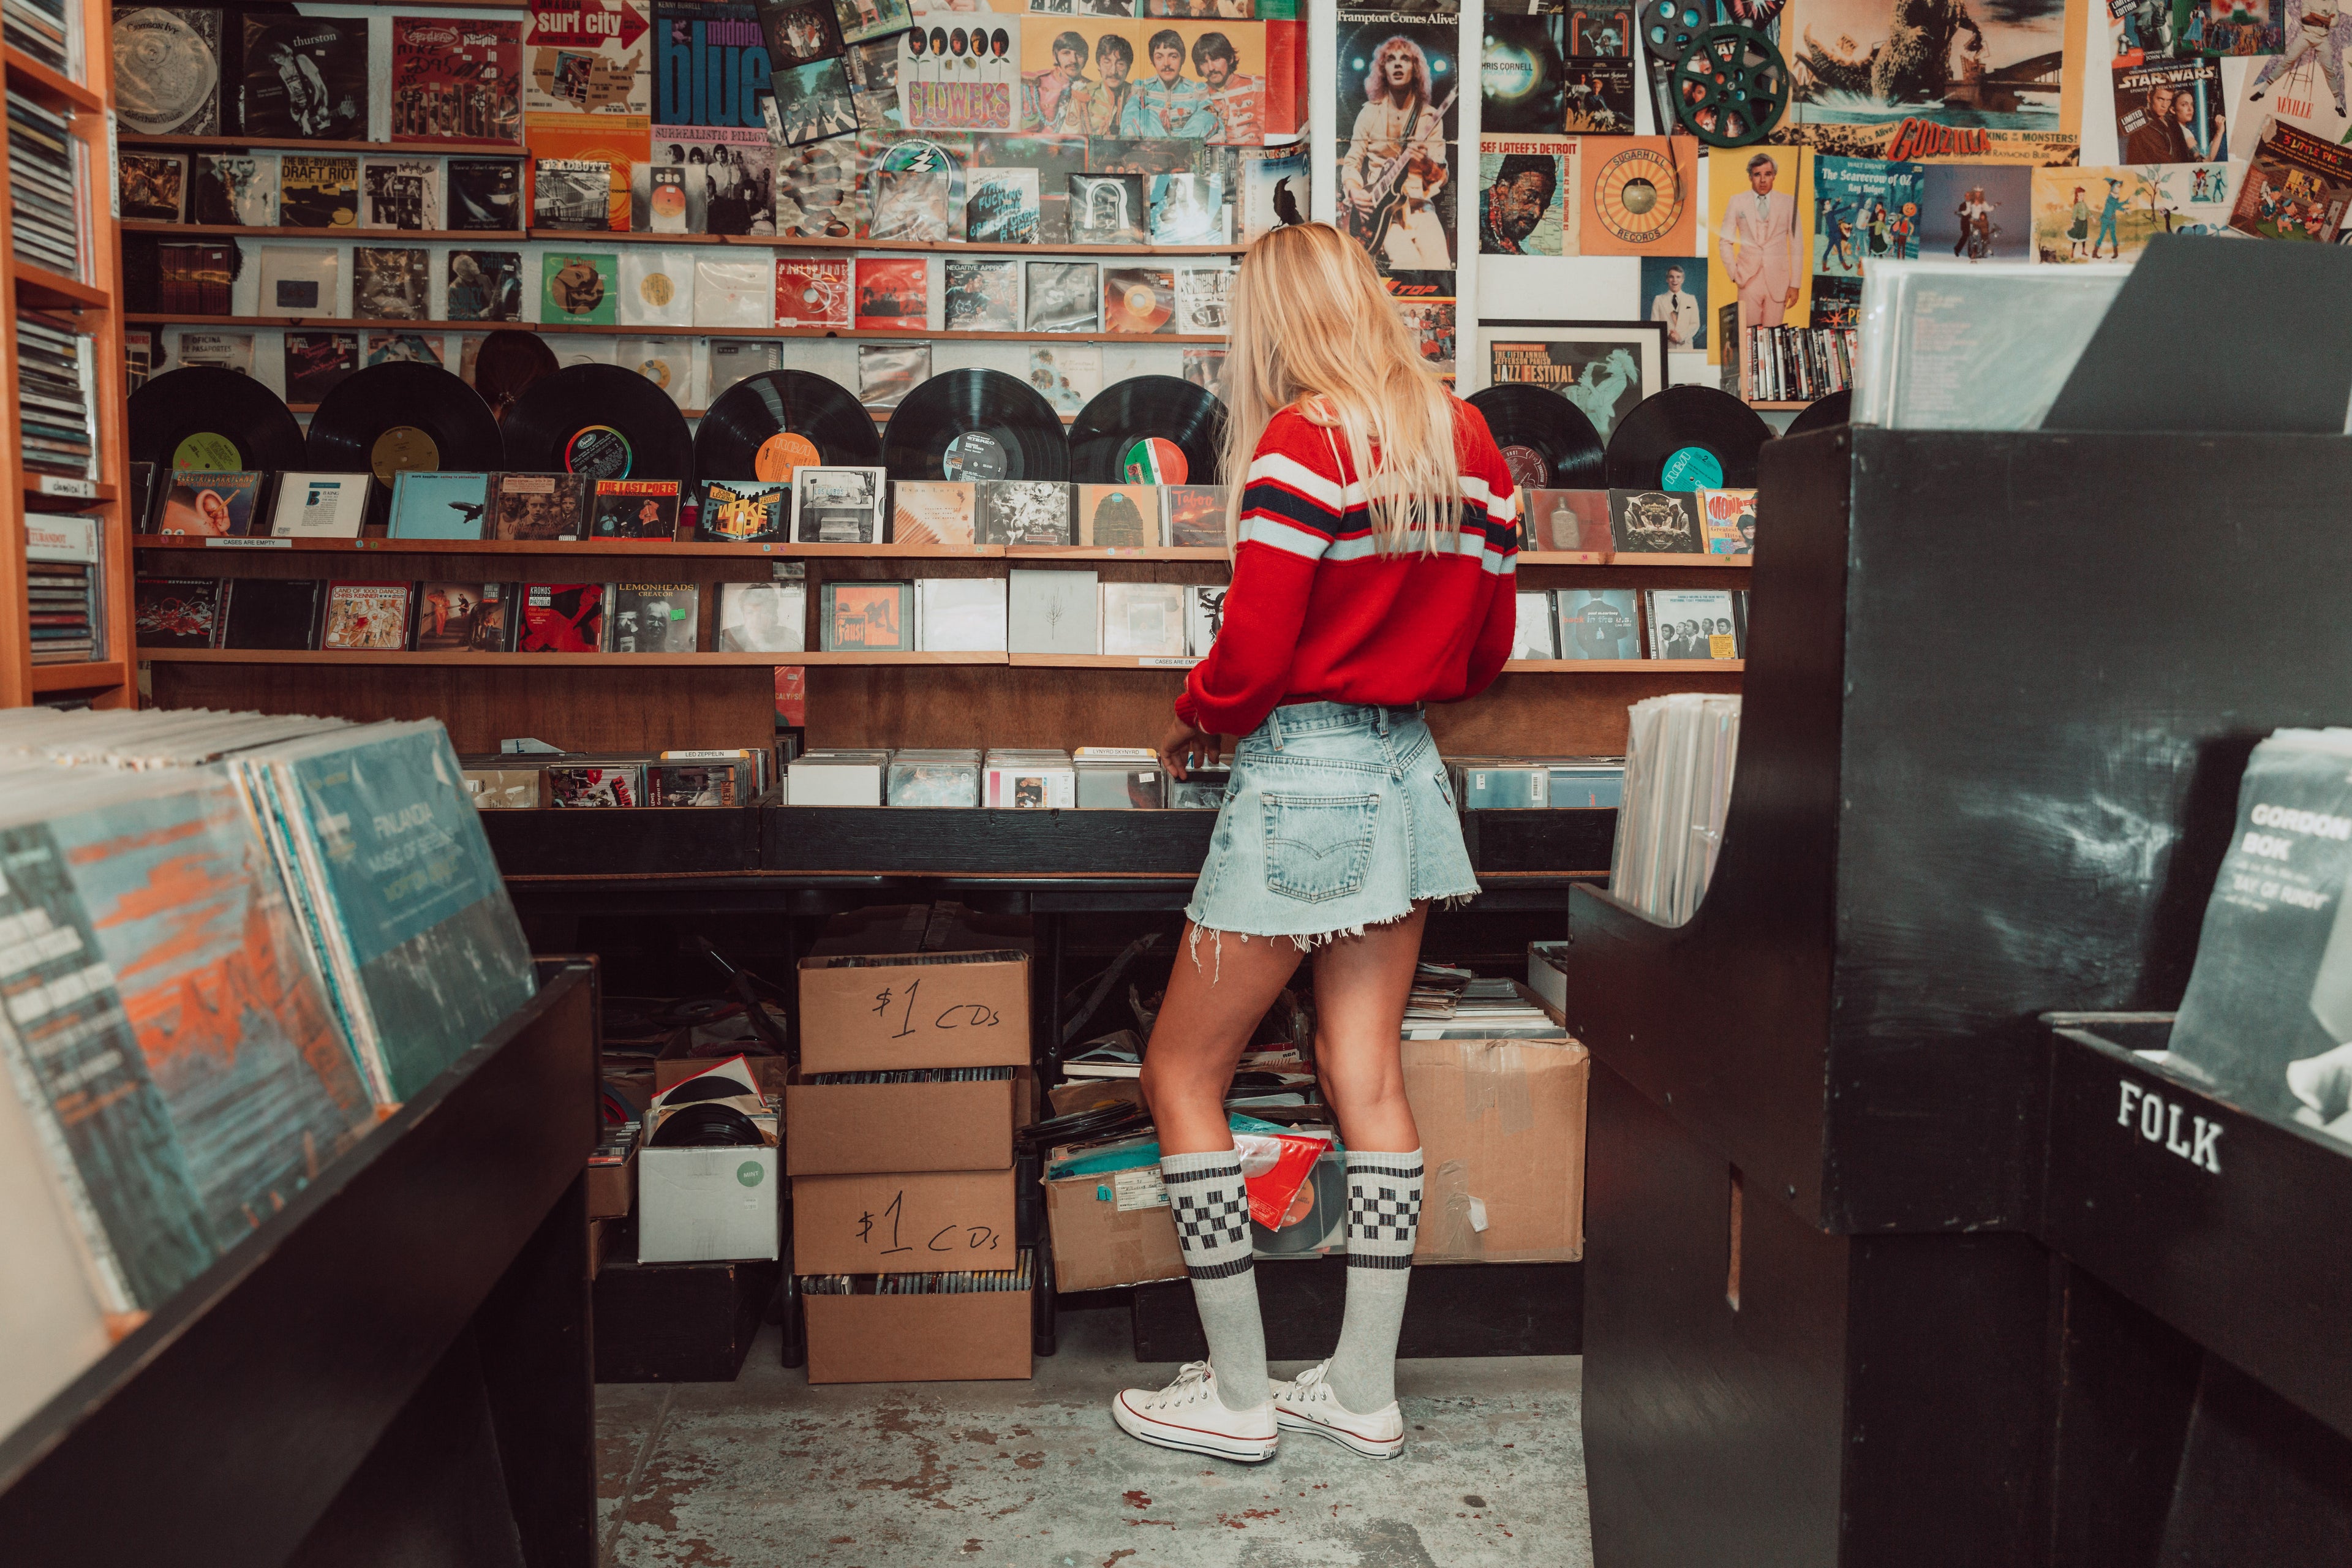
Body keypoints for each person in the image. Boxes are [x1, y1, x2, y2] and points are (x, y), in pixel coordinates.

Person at [1112, 222, 1518, 1465]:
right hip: (1406, 777)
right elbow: (1487, 654)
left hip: (1305, 775)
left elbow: (1254, 649)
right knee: (1367, 1069)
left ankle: (1239, 1393)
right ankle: (1359, 1388)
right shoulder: (1471, 439)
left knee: (1180, 1071)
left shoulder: (1303, 442)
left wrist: (1194, 717)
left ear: (1272, 323)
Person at [1342, 35, 1452, 271]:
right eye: (1391, 59)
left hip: (1419, 205)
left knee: (1440, 268)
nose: (1398, 64)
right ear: (1383, 69)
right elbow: (1352, 161)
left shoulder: (1429, 117)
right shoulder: (1369, 114)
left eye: (1405, 59)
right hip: (1380, 211)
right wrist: (1354, 191)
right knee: (1407, 263)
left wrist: (1423, 162)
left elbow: (1441, 176)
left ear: (1416, 68)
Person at [1717, 151, 1801, 328]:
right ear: (1750, 177)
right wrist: (1734, 273)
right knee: (1748, 338)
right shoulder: (1737, 202)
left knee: (1774, 336)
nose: (1763, 180)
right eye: (1757, 175)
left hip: (1779, 281)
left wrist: (1795, 285)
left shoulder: (1789, 203)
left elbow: (1797, 245)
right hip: (1747, 279)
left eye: (1768, 174)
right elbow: (1725, 241)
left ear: (1774, 176)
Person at [1121, 28, 1221, 135]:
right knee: (1145, 115)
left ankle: (1179, 147)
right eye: (1159, 57)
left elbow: (1212, 118)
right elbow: (1129, 117)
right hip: (1152, 148)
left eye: (1173, 57)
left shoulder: (1196, 90)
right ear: (1153, 61)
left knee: (1208, 114)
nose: (1166, 64)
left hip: (1187, 146)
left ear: (1182, 59)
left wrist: (1220, 135)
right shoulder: (1143, 88)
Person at [1478, 153, 1557, 253]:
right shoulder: (1467, 218)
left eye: (1545, 204)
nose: (1537, 213)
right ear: (1503, 188)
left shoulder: (1510, 247)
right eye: (1530, 197)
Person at [1194, 31, 1262, 145]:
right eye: (1204, 62)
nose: (1211, 68)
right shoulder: (1198, 95)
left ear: (1230, 59)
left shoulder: (1256, 87)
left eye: (1216, 59)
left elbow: (1267, 134)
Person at [1060, 32, 1136, 133]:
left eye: (1120, 64)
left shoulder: (1137, 96)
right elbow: (1069, 137)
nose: (1113, 71)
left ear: (1128, 69)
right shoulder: (1083, 94)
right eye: (1107, 62)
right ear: (1099, 65)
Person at [1648, 263, 1700, 350]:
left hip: (1686, 347)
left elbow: (1695, 324)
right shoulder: (1658, 300)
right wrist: (1669, 335)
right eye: (1671, 277)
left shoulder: (1691, 299)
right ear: (1667, 280)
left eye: (1678, 277)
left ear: (1683, 280)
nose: (1674, 280)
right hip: (1666, 346)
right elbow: (1655, 324)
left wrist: (1681, 337)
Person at [2067, 184, 2091, 258]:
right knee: (2076, 237)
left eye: (2083, 195)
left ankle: (2083, 251)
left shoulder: (2084, 204)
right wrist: (2072, 223)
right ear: (2077, 196)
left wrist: (2092, 217)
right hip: (2078, 223)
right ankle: (2072, 252)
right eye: (2081, 195)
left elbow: (2088, 211)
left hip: (2085, 222)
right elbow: (2074, 215)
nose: (2082, 197)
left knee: (2084, 236)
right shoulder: (2077, 205)